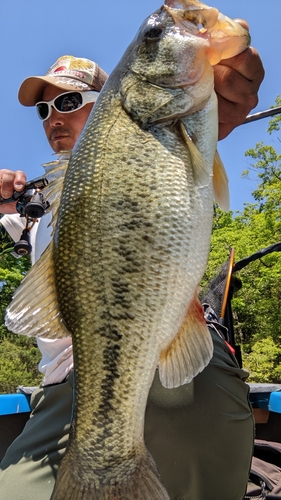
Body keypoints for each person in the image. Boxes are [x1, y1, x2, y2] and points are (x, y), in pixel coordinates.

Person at [0, 41, 264, 500]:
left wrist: (209, 98)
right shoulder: (36, 214)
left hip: (171, 365)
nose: (52, 118)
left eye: (67, 101)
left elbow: (170, 147)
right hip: (68, 394)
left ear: (108, 106)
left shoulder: (160, 149)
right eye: (42, 109)